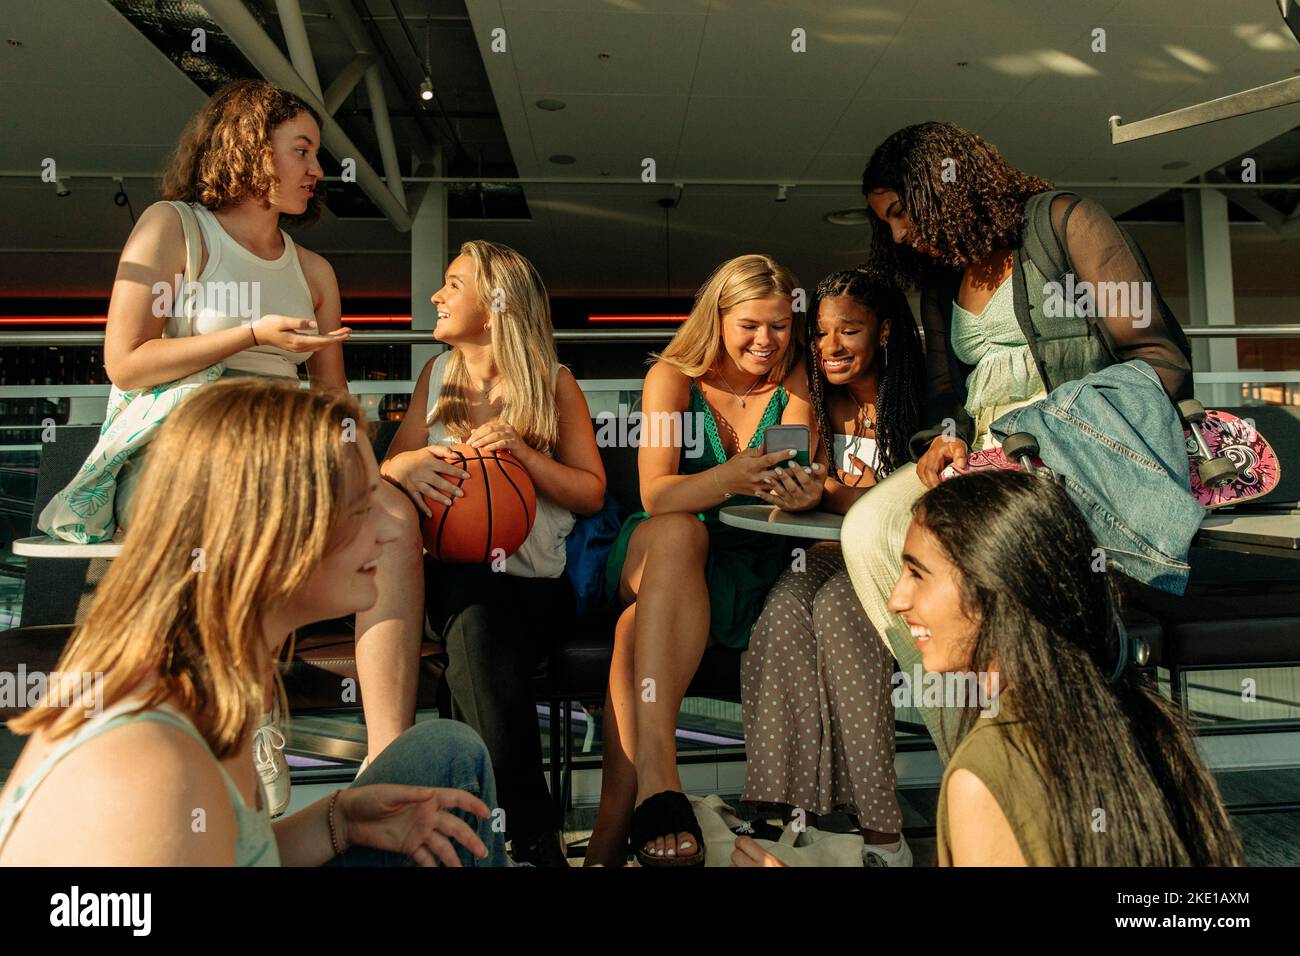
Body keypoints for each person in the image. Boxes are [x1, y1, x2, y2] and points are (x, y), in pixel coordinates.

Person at [0, 379, 507, 867]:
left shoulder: (211, 679)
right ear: (270, 538)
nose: (388, 527)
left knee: (444, 751)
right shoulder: (152, 762)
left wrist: (340, 820)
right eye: (359, 509)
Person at [100, 79, 427, 810]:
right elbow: (125, 361)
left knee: (395, 522)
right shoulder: (174, 227)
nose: (318, 170)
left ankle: (384, 756)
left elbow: (335, 405)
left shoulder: (314, 273)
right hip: (184, 451)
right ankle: (248, 713)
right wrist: (250, 335)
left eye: (316, 154)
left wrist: (369, 477)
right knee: (252, 509)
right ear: (252, 151)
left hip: (287, 457)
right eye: (302, 151)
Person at [839, 121, 1194, 761]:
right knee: (869, 530)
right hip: (982, 448)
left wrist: (1049, 427)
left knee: (995, 570)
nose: (897, 234)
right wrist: (944, 437)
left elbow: (1160, 357)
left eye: (900, 213)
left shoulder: (1063, 224)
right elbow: (947, 391)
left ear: (941, 187)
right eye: (885, 222)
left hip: (1071, 440)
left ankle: (1056, 745)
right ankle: (971, 753)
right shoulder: (941, 278)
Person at [735, 471, 1243, 867]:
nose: (895, 600)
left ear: (995, 588)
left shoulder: (984, 774)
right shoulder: (1149, 723)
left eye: (916, 573)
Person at [584, 254, 818, 867]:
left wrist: (803, 492)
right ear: (717, 319)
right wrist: (732, 476)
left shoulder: (797, 380)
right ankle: (663, 776)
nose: (767, 341)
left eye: (780, 326)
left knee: (633, 631)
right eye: (750, 326)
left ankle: (619, 823)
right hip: (660, 542)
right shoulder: (672, 376)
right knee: (680, 532)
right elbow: (656, 494)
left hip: (746, 559)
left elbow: (787, 473)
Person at [379, 240, 606, 867]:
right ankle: (529, 839)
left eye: (454, 284)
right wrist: (409, 463)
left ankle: (475, 836)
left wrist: (524, 455)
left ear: (498, 302)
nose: (437, 295)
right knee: (468, 616)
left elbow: (590, 492)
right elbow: (387, 470)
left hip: (533, 588)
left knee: (473, 631)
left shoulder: (554, 384)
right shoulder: (435, 377)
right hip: (444, 578)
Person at [739, 265, 924, 866]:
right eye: (819, 333)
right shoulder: (812, 394)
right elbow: (787, 467)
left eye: (849, 330)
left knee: (842, 617)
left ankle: (881, 836)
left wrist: (832, 494)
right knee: (783, 615)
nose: (830, 347)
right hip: (822, 553)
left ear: (885, 331)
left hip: (893, 561)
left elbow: (904, 504)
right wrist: (798, 487)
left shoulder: (921, 403)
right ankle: (786, 812)